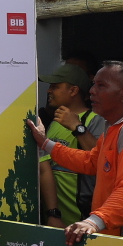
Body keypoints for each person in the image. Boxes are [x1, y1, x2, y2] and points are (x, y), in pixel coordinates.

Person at [27, 61, 123, 244]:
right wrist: (45, 143)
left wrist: (93, 221)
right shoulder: (115, 125)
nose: (92, 91)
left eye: (101, 86)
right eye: (94, 85)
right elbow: (93, 161)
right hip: (110, 235)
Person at [36, 63, 104, 228]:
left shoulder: (95, 119)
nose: (48, 91)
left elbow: (101, 160)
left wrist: (77, 127)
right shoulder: (56, 120)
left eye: (55, 87)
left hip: (83, 219)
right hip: (56, 217)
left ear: (73, 91)